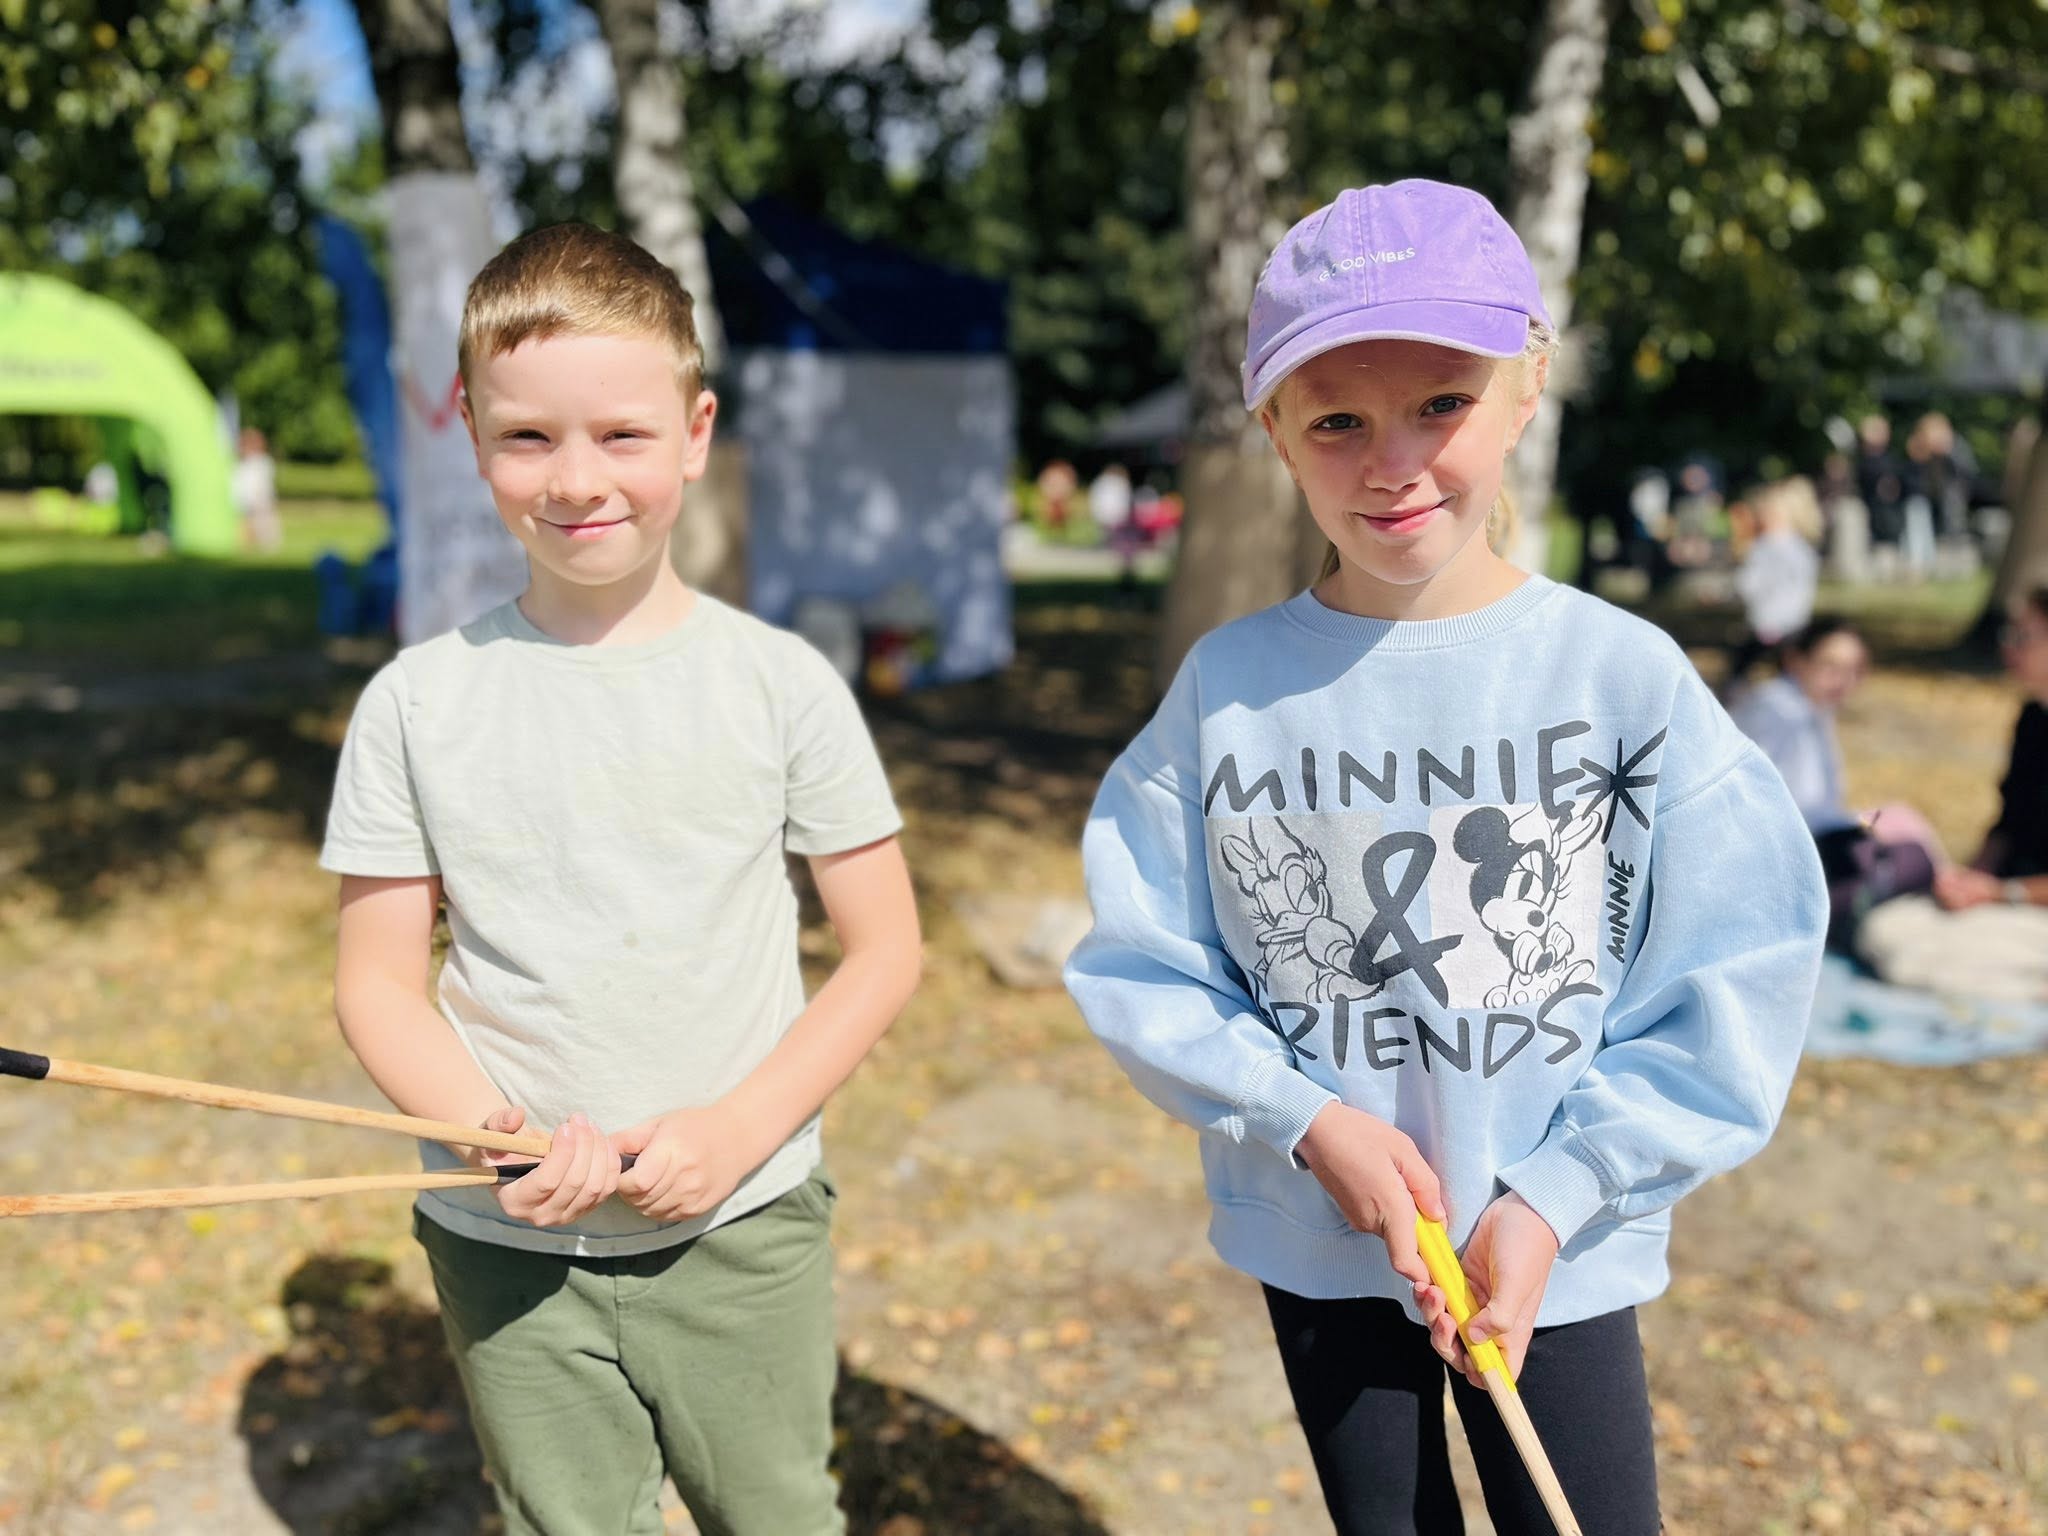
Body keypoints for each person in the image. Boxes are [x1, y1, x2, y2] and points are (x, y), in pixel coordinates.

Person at [1064, 180, 1828, 1536]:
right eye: (1337, 421)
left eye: (1439, 405)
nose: (1392, 462)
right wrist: (1308, 1123)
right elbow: (1145, 961)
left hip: (1555, 1247)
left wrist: (1555, 1195)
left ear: (1524, 391)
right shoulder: (1227, 693)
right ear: (1273, 431)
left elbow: (1738, 961)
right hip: (1331, 1245)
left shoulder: (1620, 677)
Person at [320, 223, 921, 1535]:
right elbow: (376, 985)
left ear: (694, 433)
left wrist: (738, 1129)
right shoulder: (414, 704)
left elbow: (884, 950)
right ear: (470, 432)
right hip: (506, 1246)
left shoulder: (782, 684)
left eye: (621, 435)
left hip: (743, 1227)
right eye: (528, 437)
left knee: (775, 1516)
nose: (576, 479)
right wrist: (485, 1136)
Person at [1858, 587, 2048, 1002]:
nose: (2009, 648)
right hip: (2008, 894)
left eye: (2024, 637)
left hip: (2029, 903)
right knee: (1882, 932)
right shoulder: (2034, 719)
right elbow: (2009, 821)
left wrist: (2001, 893)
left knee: (1915, 963)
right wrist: (1970, 879)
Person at [1729, 617, 1940, 949]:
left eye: (1855, 670)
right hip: (1787, 862)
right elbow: (1778, 811)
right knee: (1915, 858)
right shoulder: (1778, 712)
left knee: (1900, 820)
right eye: (1831, 666)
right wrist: (1859, 831)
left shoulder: (1812, 708)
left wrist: (1863, 826)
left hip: (1820, 839)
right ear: (1795, 661)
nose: (1843, 680)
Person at [1724, 476, 1820, 691]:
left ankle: (1732, 696)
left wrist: (1725, 594)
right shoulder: (1804, 550)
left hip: (1765, 624)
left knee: (1740, 670)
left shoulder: (1764, 547)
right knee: (1788, 675)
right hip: (1795, 623)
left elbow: (1748, 585)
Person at [232, 426, 282, 552]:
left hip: (260, 500)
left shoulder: (262, 462)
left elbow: (262, 483)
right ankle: (247, 546)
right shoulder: (240, 464)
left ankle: (268, 545)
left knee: (264, 525)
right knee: (245, 525)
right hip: (245, 501)